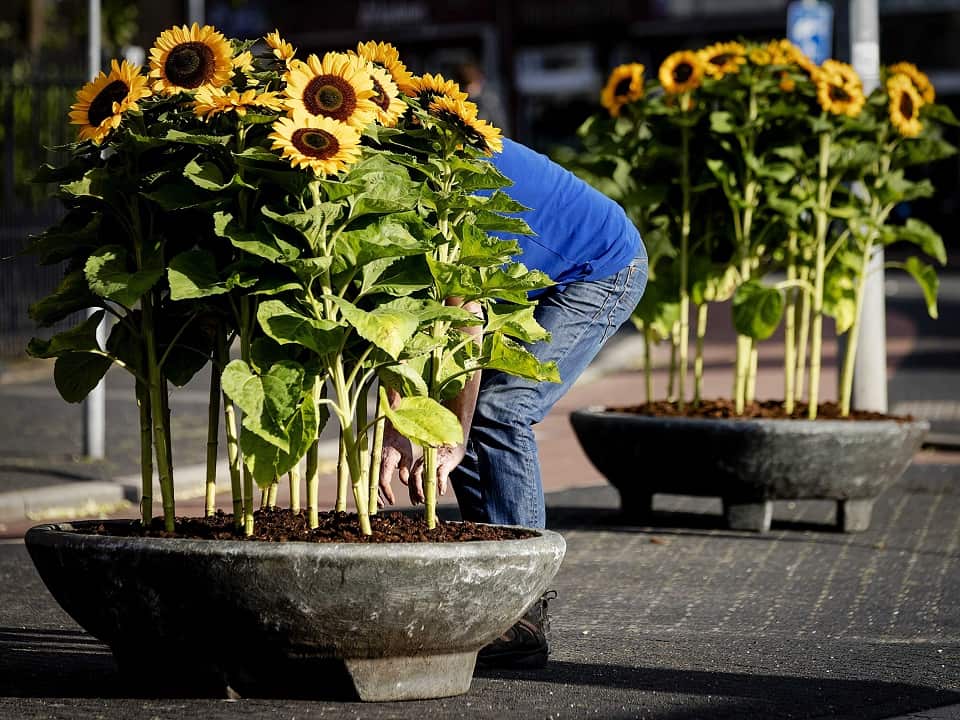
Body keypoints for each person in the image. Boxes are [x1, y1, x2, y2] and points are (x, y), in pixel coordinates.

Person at [378, 137, 648, 667]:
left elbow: (464, 318)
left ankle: (522, 614)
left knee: (501, 410)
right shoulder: (387, 167)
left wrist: (451, 430)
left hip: (602, 266)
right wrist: (397, 421)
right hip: (547, 272)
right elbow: (394, 317)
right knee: (477, 421)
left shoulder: (436, 178)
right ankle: (493, 591)